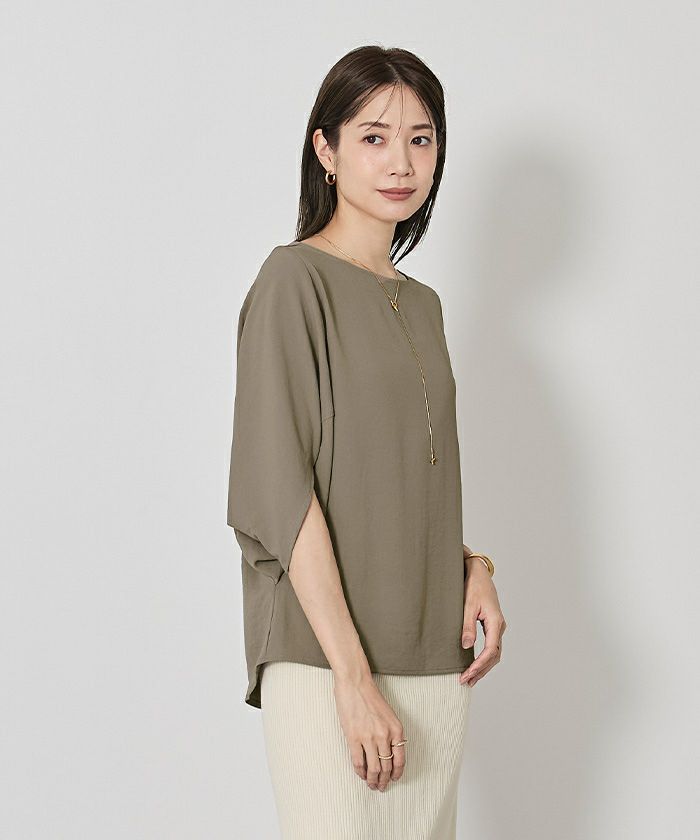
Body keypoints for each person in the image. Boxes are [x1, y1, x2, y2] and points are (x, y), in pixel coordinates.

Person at [226, 44, 507, 840]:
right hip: (327, 663)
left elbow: (395, 475)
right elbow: (278, 490)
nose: (401, 162)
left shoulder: (424, 305)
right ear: (326, 149)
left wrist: (473, 565)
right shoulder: (293, 281)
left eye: (421, 138)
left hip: (435, 662)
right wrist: (350, 679)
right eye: (374, 137)